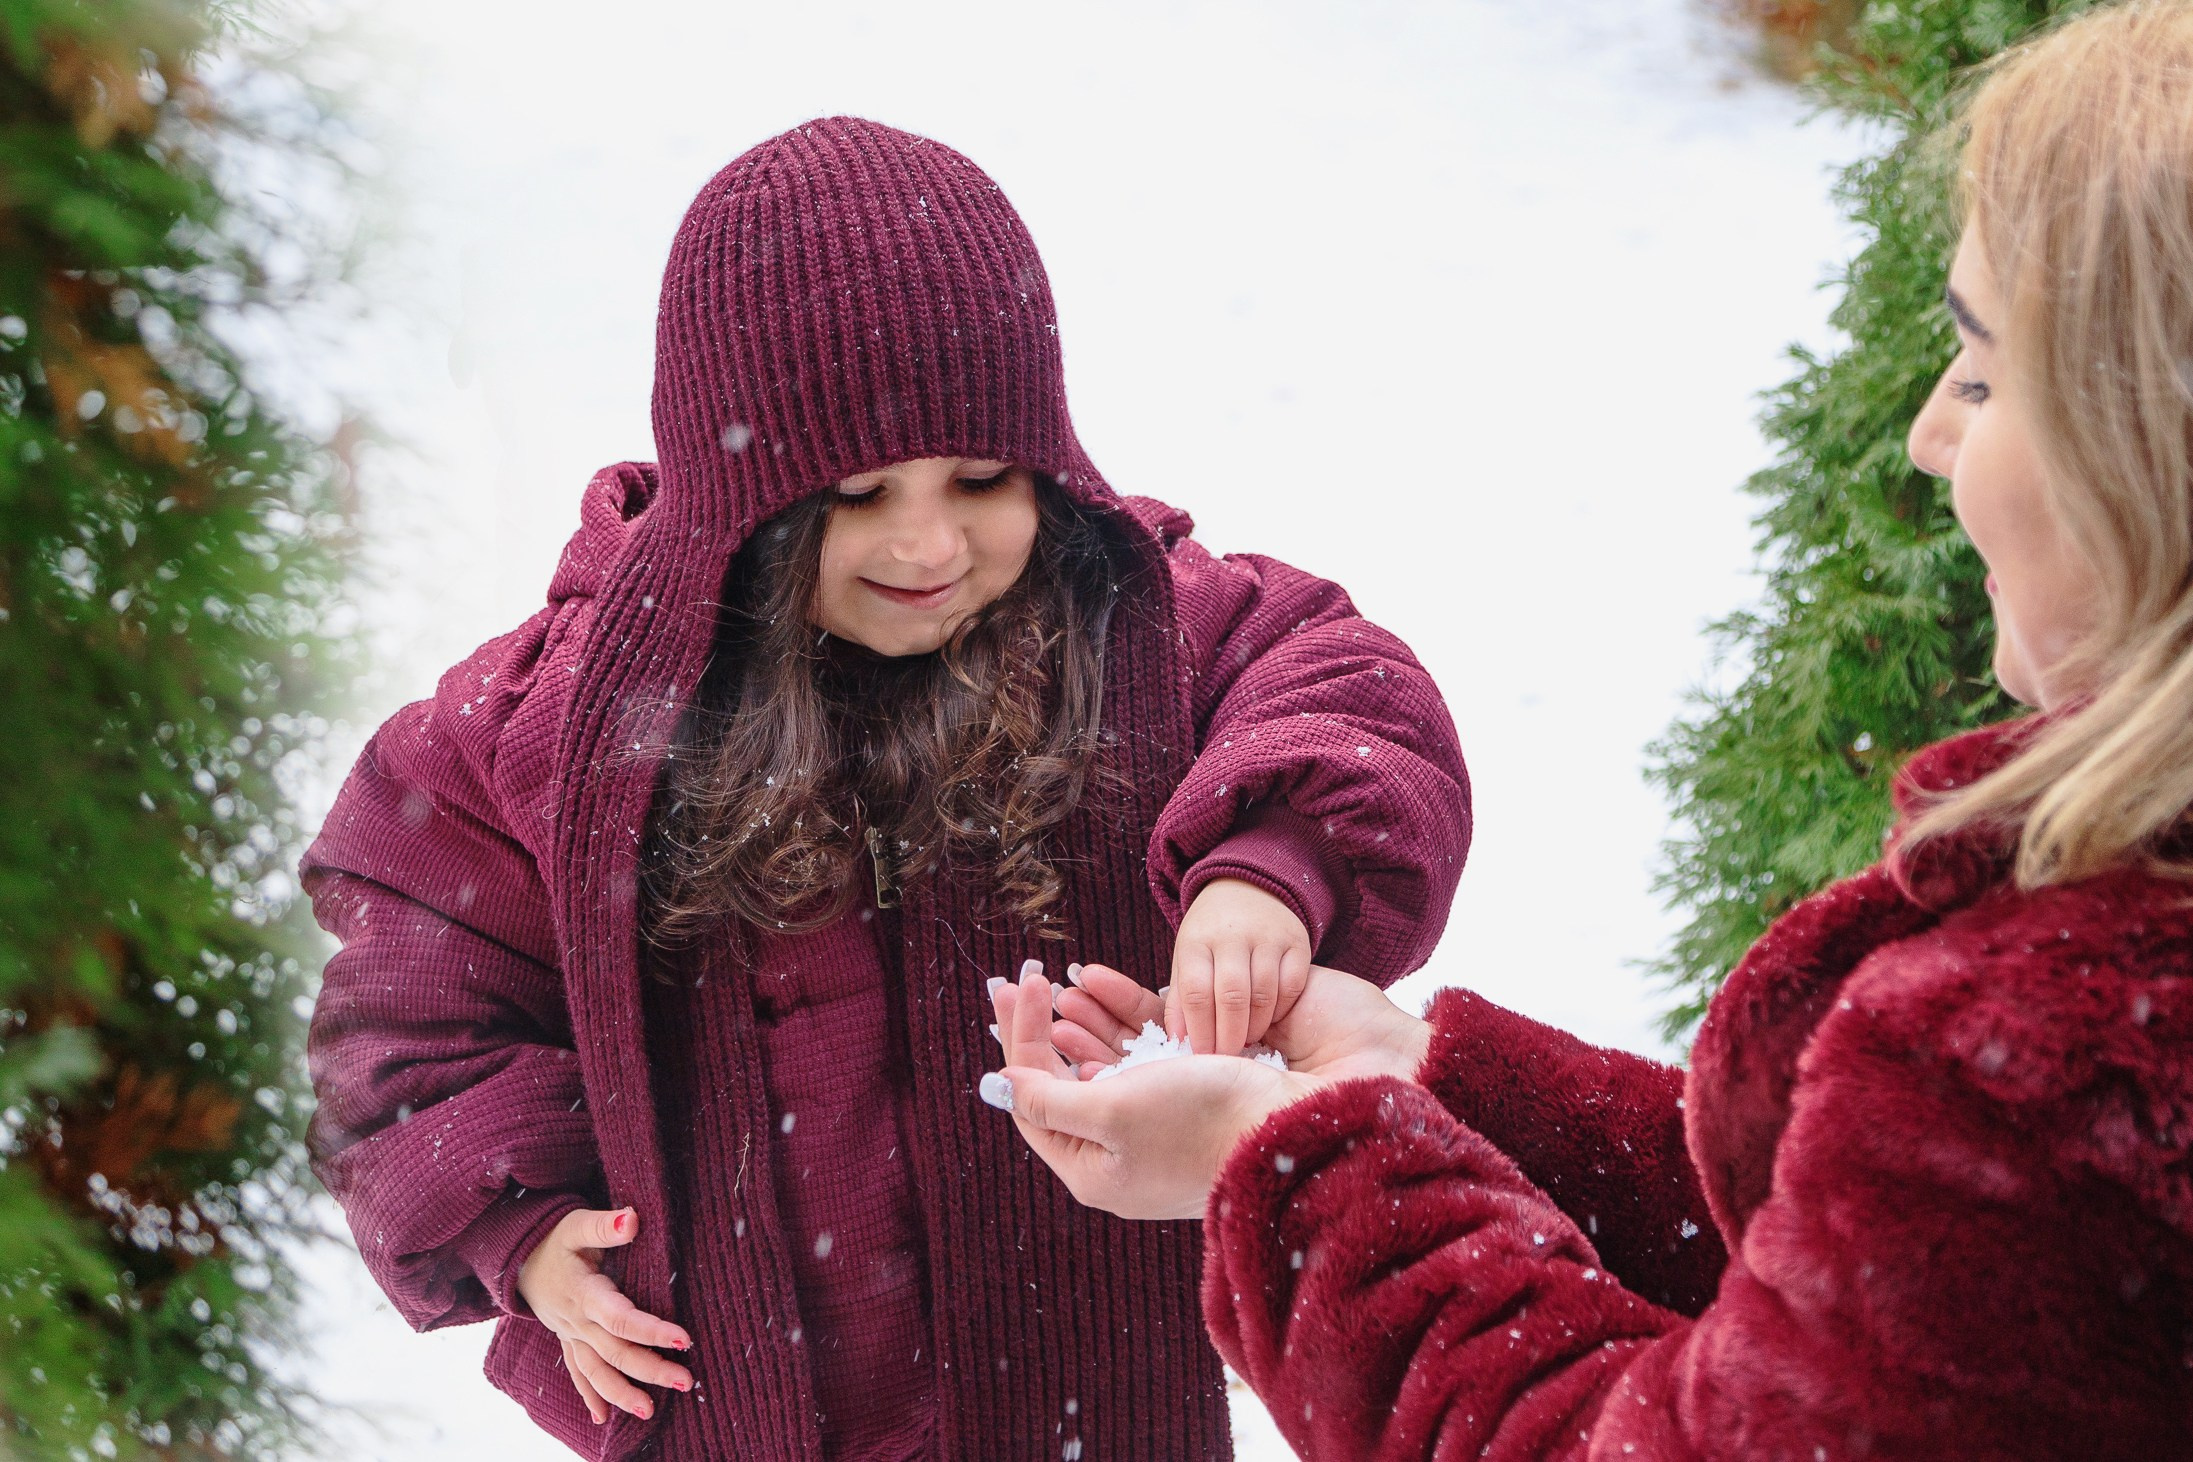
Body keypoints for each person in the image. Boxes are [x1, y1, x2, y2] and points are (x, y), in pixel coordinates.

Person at [983, 5, 2193, 1456]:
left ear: (2142, 453)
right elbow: (1885, 1336)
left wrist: (1294, 1169)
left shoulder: (2043, 1066)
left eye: (1987, 375)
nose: (1930, 433)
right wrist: (1431, 1089)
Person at [300, 117, 1468, 1460]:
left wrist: (1268, 863)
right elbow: (409, 994)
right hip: (749, 1404)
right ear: (740, 496)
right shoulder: (570, 723)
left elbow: (1342, 685)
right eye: (855, 495)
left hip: (1088, 1390)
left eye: (980, 479)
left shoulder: (1125, 623)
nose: (926, 541)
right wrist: (523, 1223)